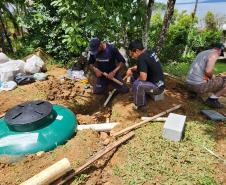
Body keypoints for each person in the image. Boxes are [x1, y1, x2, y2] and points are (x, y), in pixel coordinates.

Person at [126, 40, 165, 110]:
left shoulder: (141, 58)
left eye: (132, 54)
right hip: (159, 83)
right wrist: (130, 69)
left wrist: (135, 84)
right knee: (133, 75)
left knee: (137, 84)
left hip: (157, 88)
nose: (132, 56)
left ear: (137, 51)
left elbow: (143, 78)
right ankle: (137, 94)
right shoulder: (148, 52)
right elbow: (140, 68)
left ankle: (141, 106)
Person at [186, 43, 226, 108]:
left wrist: (215, 76)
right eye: (220, 54)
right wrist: (213, 77)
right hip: (197, 86)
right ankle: (212, 100)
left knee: (218, 80)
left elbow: (202, 70)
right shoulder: (214, 54)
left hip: (189, 83)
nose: (219, 56)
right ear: (220, 50)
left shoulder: (203, 53)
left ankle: (194, 93)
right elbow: (208, 71)